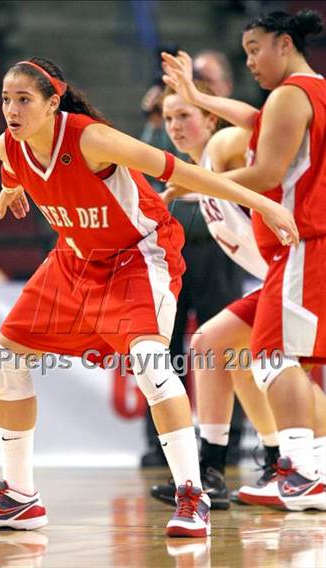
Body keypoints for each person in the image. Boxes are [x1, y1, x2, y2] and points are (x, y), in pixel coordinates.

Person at [0, 57, 298, 536]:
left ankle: (192, 497)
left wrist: (262, 202)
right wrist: (11, 190)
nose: (11, 108)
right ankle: (20, 497)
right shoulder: (9, 145)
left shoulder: (91, 139)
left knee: (153, 365)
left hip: (138, 254)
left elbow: (181, 170)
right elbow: (13, 168)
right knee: (1, 358)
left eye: (24, 99)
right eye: (6, 99)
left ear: (53, 103)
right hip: (74, 259)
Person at [162, 9, 326, 511]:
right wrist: (196, 95)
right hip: (294, 251)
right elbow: (256, 120)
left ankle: (300, 472)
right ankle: (284, 466)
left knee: (274, 357)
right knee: (218, 340)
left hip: (303, 242)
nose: (250, 60)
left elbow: (267, 172)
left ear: (283, 43)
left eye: (255, 48)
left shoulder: (291, 94)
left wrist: (194, 182)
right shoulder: (305, 93)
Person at [149, 83, 279, 509]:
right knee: (228, 356)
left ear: (209, 119)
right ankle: (253, 464)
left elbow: (265, 128)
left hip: (299, 273)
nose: (175, 126)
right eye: (169, 119)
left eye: (185, 114)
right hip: (276, 278)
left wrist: (200, 92)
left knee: (239, 358)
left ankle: (284, 463)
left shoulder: (224, 144)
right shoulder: (198, 174)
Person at [140, 51, 245, 469]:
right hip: (168, 254)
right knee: (161, 349)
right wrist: (153, 121)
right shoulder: (165, 128)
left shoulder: (227, 134)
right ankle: (163, 443)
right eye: (170, 117)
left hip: (218, 252)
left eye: (204, 79)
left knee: (227, 348)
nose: (176, 125)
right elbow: (144, 176)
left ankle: (228, 445)